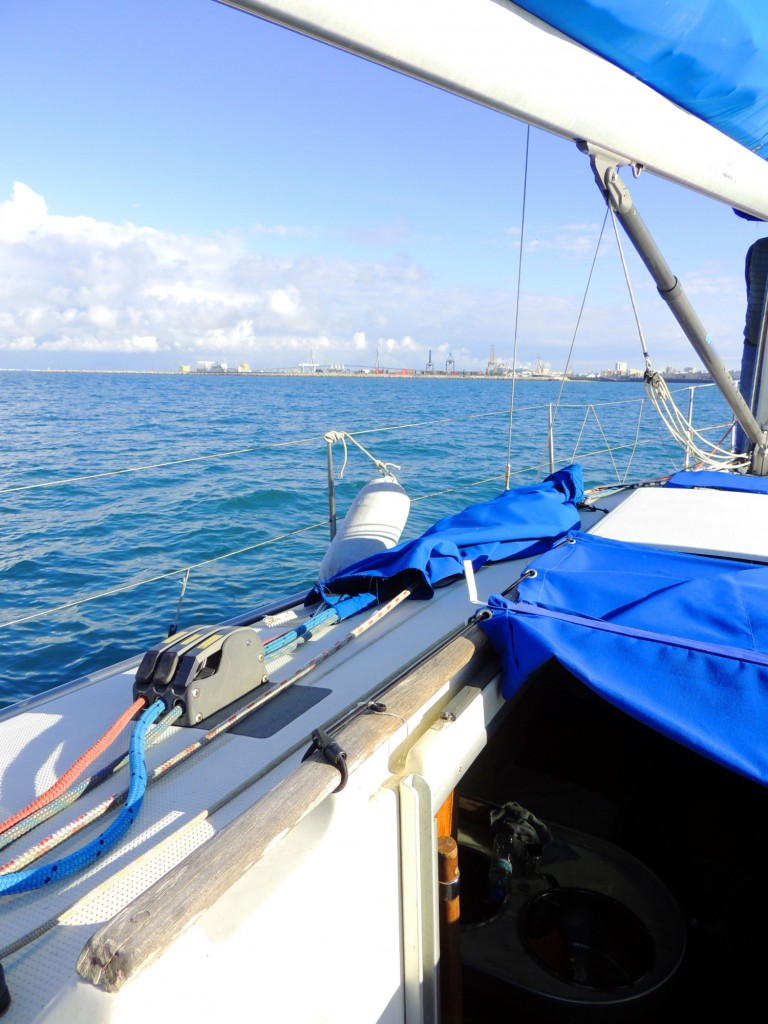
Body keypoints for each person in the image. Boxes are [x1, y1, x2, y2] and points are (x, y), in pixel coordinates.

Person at [736, 236, 768, 453]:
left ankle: (742, 452)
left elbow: (749, 289)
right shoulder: (757, 248)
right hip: (756, 338)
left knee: (746, 402)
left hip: (754, 336)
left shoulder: (756, 247)